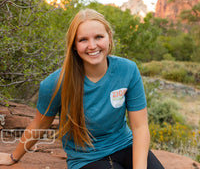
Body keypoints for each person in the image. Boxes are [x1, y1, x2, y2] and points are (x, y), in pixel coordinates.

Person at [0, 9, 164, 169]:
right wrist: (13, 157)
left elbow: (140, 127)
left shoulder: (128, 70)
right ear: (74, 46)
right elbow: (39, 124)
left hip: (125, 146)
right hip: (87, 159)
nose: (92, 46)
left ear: (109, 37)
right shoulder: (56, 83)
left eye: (99, 37)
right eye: (83, 40)